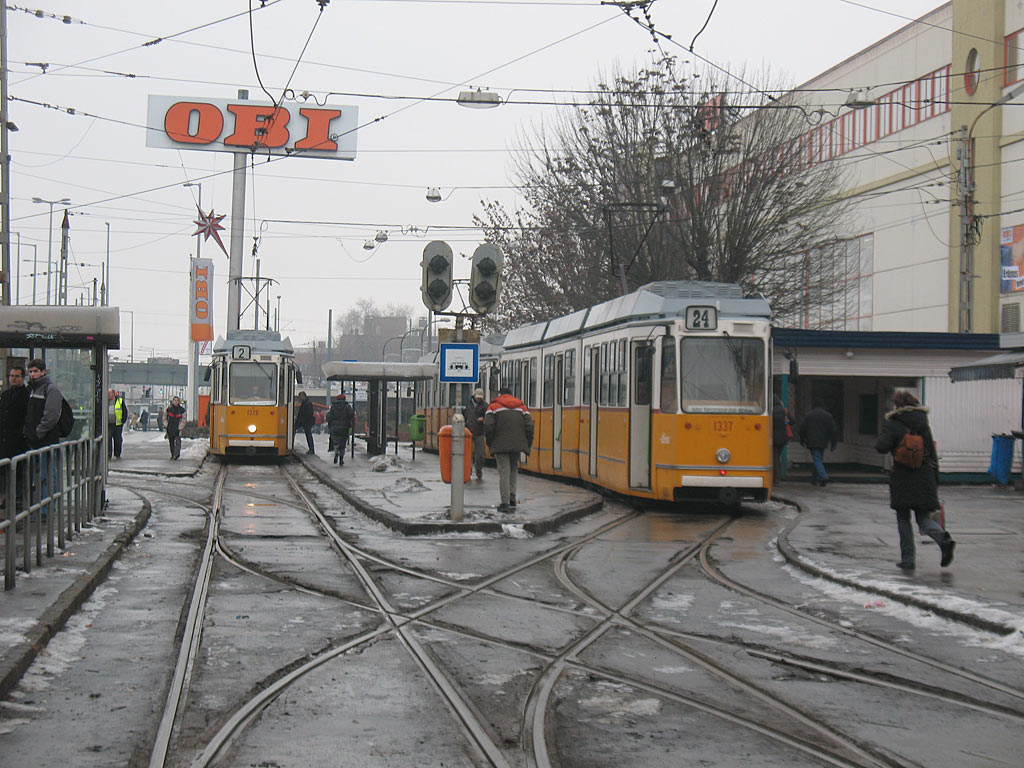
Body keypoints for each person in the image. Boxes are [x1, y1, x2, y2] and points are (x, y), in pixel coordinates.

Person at [875, 390, 955, 570]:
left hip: (903, 477)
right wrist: (935, 479)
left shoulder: (893, 424)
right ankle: (943, 539)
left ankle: (908, 559)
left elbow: (881, 447)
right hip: (924, 474)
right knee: (923, 518)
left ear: (897, 406)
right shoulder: (923, 423)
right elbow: (932, 453)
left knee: (903, 518)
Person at [483, 387, 534, 514]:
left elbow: (488, 426)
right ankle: (512, 497)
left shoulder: (493, 407)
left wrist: (490, 442)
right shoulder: (522, 407)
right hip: (517, 444)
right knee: (513, 469)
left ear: (500, 395)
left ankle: (504, 502)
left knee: (504, 471)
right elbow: (530, 426)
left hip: (500, 445)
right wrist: (527, 443)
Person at [23, 359, 63, 518]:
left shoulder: (50, 389)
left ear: (43, 372)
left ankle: (47, 509)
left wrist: (38, 432)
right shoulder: (33, 390)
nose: (33, 374)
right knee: (39, 476)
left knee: (48, 475)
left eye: (35, 371)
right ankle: (41, 506)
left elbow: (51, 416)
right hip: (35, 439)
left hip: (46, 440)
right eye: (31, 371)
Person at [0, 366, 30, 506]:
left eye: (16, 376)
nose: (13, 378)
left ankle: (19, 497)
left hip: (19, 438)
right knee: (5, 470)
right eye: (11, 375)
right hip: (5, 438)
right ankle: (7, 495)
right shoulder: (5, 395)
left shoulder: (26, 394)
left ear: (22, 378)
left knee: (19, 469)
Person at [798, 398, 838, 487]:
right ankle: (815, 479)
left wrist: (802, 439)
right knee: (818, 459)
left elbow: (802, 429)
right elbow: (833, 430)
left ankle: (823, 477)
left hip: (812, 441)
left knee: (817, 459)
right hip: (823, 441)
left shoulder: (809, 415)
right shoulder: (828, 416)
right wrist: (833, 443)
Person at [462, 388, 488, 480]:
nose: (479, 399)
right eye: (478, 398)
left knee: (480, 453)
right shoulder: (467, 404)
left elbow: (488, 417)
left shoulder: (485, 406)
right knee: (467, 453)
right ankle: (468, 471)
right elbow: (463, 415)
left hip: (479, 432)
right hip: (468, 431)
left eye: (480, 398)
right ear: (474, 396)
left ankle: (478, 469)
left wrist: (484, 419)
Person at [327, 393, 354, 465]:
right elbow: (351, 415)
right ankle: (341, 458)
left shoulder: (333, 407)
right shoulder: (347, 406)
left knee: (336, 441)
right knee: (343, 443)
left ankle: (336, 451)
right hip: (344, 427)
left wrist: (330, 426)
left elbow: (329, 417)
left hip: (335, 427)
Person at [771, 394, 791, 484]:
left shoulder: (771, 411)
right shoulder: (785, 411)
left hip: (773, 438)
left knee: (774, 458)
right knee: (777, 456)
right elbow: (793, 421)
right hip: (783, 438)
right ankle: (776, 477)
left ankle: (776, 479)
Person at [107, 388, 126, 459]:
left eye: (109, 393)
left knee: (117, 439)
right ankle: (108, 454)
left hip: (117, 424)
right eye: (107, 393)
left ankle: (117, 454)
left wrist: (122, 421)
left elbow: (124, 411)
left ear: (113, 394)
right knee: (108, 439)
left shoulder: (120, 401)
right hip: (109, 424)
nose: (108, 395)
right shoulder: (105, 402)